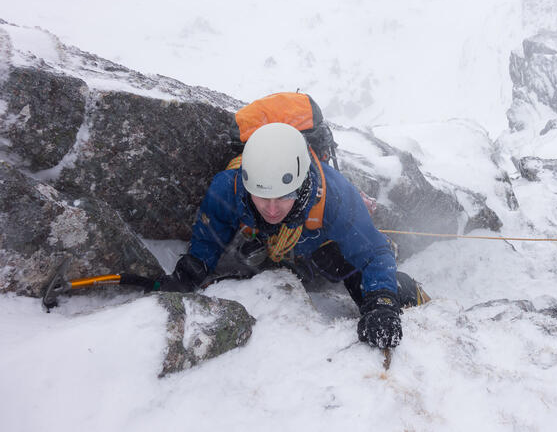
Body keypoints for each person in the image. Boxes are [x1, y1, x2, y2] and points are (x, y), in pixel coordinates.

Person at [161, 122, 429, 350]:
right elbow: (211, 230)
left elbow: (374, 252)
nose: (272, 208)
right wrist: (196, 264)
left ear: (300, 184)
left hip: (320, 246)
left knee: (360, 282)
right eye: (262, 196)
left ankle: (409, 292)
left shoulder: (335, 197)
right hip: (278, 247)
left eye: (284, 196)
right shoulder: (228, 187)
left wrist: (382, 302)